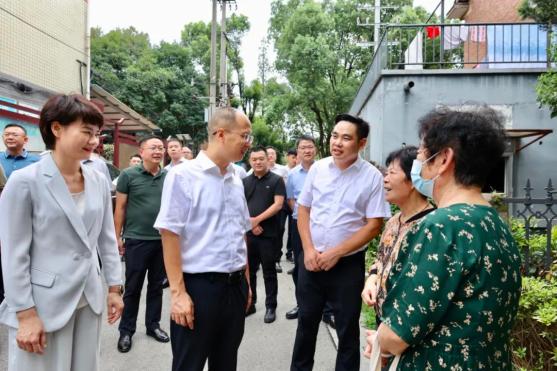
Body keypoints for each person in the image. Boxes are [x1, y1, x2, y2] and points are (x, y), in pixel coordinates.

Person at [367, 107, 522, 370]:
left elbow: (397, 334)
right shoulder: (496, 223)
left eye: (422, 155)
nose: (418, 164)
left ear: (443, 159)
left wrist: (381, 338)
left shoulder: (441, 226)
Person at [0, 94, 123, 370]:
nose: (94, 140)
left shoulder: (98, 179)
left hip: (88, 297)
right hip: (42, 303)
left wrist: (115, 287)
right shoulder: (24, 182)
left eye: (97, 134)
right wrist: (25, 314)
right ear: (56, 129)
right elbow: (13, 254)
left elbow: (106, 239)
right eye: (86, 132)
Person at [154, 107, 253, 371]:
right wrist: (178, 293)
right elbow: (169, 234)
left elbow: (240, 234)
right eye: (244, 136)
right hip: (199, 288)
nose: (248, 143)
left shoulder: (235, 178)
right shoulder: (183, 175)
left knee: (226, 362)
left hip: (234, 288)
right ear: (221, 134)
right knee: (190, 363)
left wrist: (246, 282)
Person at [291, 114, 389, 371]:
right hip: (311, 261)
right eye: (335, 135)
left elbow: (373, 224)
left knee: (347, 331)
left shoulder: (372, 177)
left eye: (346, 138)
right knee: (306, 325)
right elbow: (304, 210)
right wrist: (308, 250)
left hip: (346, 266)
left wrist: (336, 253)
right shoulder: (318, 168)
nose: (337, 142)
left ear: (361, 143)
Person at [361, 146, 434, 327]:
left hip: (406, 326)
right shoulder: (393, 221)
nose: (384, 179)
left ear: (412, 181)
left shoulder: (431, 226)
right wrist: (371, 280)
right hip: (383, 318)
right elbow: (380, 259)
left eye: (391, 173)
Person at [115, 136, 169, 353]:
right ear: (142, 150)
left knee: (156, 286)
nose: (158, 151)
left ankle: (153, 325)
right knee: (133, 287)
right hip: (137, 239)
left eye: (161, 148)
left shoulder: (169, 176)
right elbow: (120, 208)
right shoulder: (128, 175)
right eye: (153, 147)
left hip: (163, 241)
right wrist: (117, 236)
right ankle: (126, 330)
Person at [285, 135, 334, 328]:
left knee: (326, 263)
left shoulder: (325, 170)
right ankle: (302, 304)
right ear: (297, 151)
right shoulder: (292, 175)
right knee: (301, 266)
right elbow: (290, 200)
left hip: (322, 226)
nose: (307, 150)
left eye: (310, 147)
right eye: (303, 147)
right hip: (301, 225)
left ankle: (328, 310)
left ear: (316, 149)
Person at [243, 146, 286, 323]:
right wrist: (251, 224)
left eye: (261, 158)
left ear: (268, 159)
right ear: (250, 161)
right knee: (249, 271)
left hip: (269, 235)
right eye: (254, 159)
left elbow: (278, 205)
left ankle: (271, 306)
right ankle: (251, 303)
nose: (258, 162)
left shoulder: (277, 180)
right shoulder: (245, 181)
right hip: (250, 235)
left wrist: (257, 220)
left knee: (269, 271)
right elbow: (240, 205)